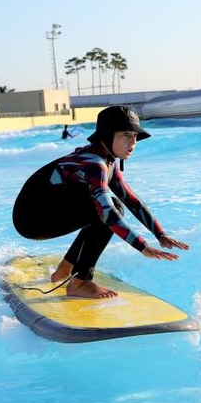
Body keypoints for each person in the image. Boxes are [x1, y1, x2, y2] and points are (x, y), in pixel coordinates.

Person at [12, 105, 189, 299]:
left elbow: (131, 200)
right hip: (32, 219)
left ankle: (64, 269)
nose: (133, 142)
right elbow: (108, 211)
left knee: (105, 206)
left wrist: (160, 234)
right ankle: (80, 282)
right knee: (107, 209)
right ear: (107, 135)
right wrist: (142, 246)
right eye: (125, 134)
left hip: (42, 213)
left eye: (135, 136)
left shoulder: (107, 160)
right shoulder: (94, 163)